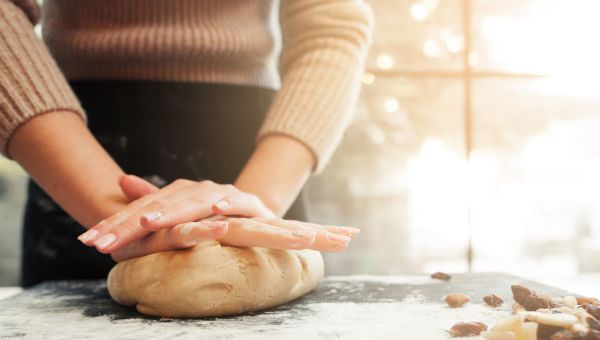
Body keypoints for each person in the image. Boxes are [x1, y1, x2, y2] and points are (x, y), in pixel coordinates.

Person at [0, 0, 373, 287]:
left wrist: (248, 210)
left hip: (259, 155)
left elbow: (331, 27)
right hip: (66, 147)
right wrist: (114, 217)